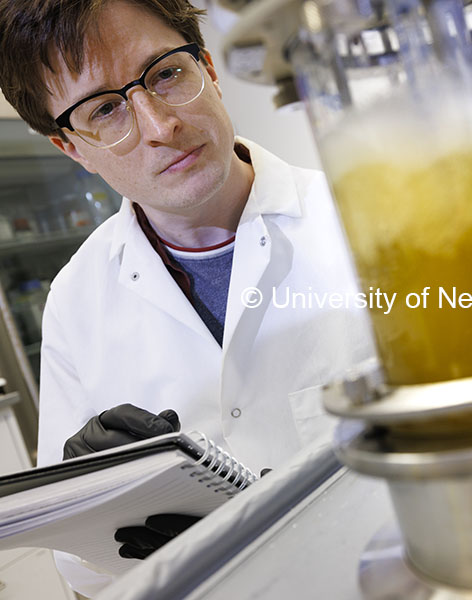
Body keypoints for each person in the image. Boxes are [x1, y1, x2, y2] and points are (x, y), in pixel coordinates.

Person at [0, 0, 375, 595]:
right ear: (72, 148)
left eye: (167, 73)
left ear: (209, 67)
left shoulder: (367, 217)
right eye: (104, 109)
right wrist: (110, 512)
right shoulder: (75, 300)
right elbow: (77, 568)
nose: (159, 125)